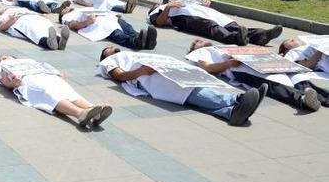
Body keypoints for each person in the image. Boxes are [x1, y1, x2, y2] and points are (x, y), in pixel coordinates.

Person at [98, 47, 264, 126]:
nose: (113, 48)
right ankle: (234, 105)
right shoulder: (109, 61)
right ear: (105, 56)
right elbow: (119, 76)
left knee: (192, 88)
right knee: (186, 91)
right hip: (147, 77)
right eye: (109, 49)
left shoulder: (132, 54)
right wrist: (142, 70)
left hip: (158, 71)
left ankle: (232, 108)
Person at [186, 39, 323, 112]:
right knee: (274, 85)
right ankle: (303, 100)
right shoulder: (199, 54)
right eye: (196, 43)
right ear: (193, 50)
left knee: (295, 77)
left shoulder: (220, 47)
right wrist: (229, 64)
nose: (199, 41)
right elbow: (209, 68)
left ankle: (323, 97)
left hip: (259, 63)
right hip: (242, 69)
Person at [0, 55, 112, 128]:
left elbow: (46, 67)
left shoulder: (28, 60)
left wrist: (59, 74)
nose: (5, 57)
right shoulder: (3, 65)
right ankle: (80, 113)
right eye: (2, 57)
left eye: (7, 56)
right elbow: (4, 80)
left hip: (48, 76)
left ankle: (94, 110)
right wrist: (12, 84)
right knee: (49, 94)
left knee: (69, 92)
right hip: (29, 80)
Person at [149, 0, 282, 46]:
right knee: (211, 27)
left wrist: (203, 4)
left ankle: (261, 35)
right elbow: (159, 23)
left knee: (230, 24)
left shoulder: (173, 2)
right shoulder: (157, 11)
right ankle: (235, 39)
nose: (156, 4)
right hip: (188, 19)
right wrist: (167, 7)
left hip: (205, 12)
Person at [60, 6, 157, 50]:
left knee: (127, 27)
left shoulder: (78, 9)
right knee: (116, 33)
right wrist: (88, 22)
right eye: (63, 9)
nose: (66, 7)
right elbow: (72, 25)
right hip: (97, 24)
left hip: (108, 17)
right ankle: (136, 42)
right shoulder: (66, 17)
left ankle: (147, 41)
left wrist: (112, 14)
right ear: (62, 15)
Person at [0, 7, 70, 50]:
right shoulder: (4, 16)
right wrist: (10, 20)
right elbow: (1, 27)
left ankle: (59, 40)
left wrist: (41, 15)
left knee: (47, 26)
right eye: (4, 10)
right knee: (34, 32)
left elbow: (31, 12)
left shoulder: (20, 9)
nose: (6, 9)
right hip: (21, 22)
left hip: (34, 17)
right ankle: (48, 43)